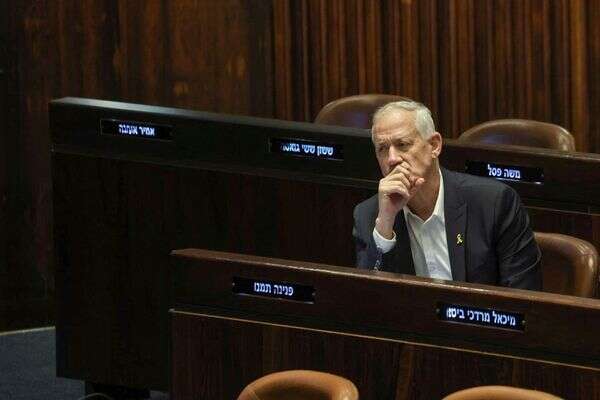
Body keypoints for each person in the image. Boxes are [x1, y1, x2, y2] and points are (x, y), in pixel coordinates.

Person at [352, 100, 541, 290]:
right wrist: (385, 225)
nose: (392, 159)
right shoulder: (370, 216)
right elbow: (367, 298)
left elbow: (523, 295)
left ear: (434, 145)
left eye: (402, 144)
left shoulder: (493, 203)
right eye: (382, 149)